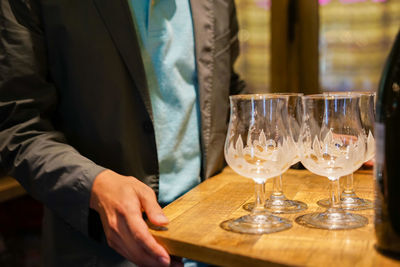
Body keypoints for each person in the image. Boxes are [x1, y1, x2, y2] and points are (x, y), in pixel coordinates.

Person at [0, 0, 245, 266]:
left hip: (219, 245)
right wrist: (93, 185)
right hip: (99, 252)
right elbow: (19, 124)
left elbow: (227, 92)